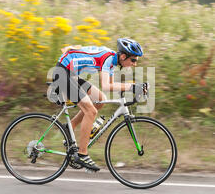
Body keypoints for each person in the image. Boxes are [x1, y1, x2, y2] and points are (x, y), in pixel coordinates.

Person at [50, 38, 148, 172]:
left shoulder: (113, 60)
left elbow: (111, 85)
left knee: (100, 99)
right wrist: (131, 87)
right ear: (123, 56)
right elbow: (107, 85)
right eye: (133, 60)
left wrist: (131, 88)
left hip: (70, 74)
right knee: (91, 112)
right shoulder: (108, 59)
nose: (135, 64)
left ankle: (70, 127)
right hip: (62, 74)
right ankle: (82, 154)